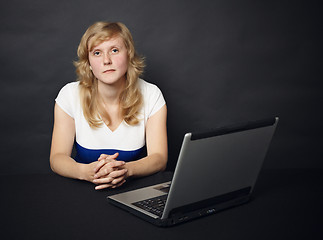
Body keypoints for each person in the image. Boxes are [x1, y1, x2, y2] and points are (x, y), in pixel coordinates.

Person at [50, 21, 167, 190]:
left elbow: (159, 158)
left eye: (114, 50)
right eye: (97, 53)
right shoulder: (69, 95)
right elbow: (57, 158)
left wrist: (126, 170)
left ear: (128, 54)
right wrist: (85, 172)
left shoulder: (151, 94)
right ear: (88, 62)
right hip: (81, 191)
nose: (106, 60)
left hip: (133, 192)